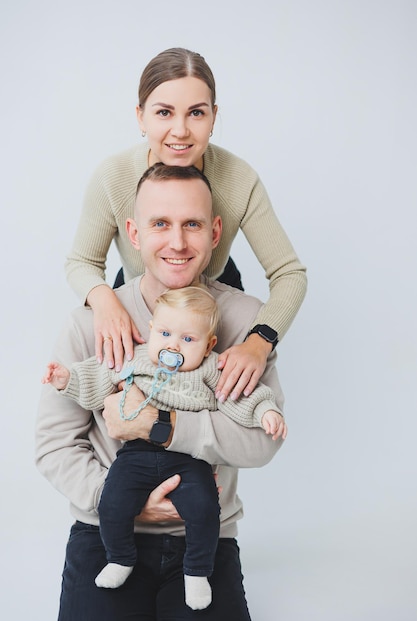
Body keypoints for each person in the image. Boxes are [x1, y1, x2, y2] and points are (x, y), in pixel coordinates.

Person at [36, 163, 286, 621]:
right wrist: (122, 501)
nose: (177, 242)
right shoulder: (88, 324)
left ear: (215, 232)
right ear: (133, 232)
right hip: (103, 531)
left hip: (205, 535)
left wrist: (161, 426)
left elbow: (260, 441)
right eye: (160, 224)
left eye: (192, 224)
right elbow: (54, 445)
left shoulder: (244, 323)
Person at [65, 46, 307, 402]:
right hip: (137, 293)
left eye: (196, 113)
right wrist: (105, 302)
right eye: (164, 112)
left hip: (210, 292)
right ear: (140, 117)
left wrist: (260, 342)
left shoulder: (240, 179)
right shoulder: (112, 176)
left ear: (213, 117)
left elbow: (290, 273)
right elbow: (81, 262)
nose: (180, 131)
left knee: (222, 404)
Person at [42, 284, 286, 609]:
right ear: (151, 330)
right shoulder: (135, 358)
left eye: (188, 339)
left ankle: (197, 571)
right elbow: (96, 379)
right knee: (113, 499)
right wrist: (67, 380)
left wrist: (265, 411)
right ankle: (120, 558)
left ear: (209, 344)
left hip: (189, 461)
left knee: (204, 507)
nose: (174, 345)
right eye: (166, 333)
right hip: (136, 457)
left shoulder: (212, 368)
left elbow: (242, 397)